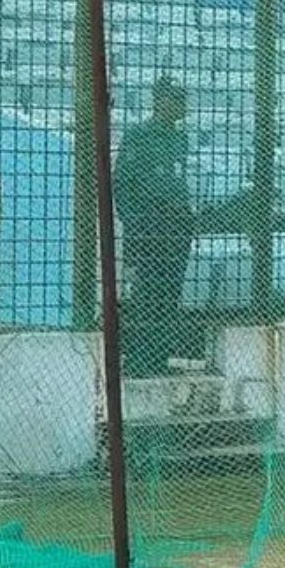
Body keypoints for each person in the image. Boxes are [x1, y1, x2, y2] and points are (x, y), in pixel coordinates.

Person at [113, 77, 195, 376]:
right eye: (177, 99)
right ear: (162, 101)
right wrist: (135, 222)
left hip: (176, 224)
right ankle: (140, 360)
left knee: (170, 292)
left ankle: (158, 358)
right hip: (150, 223)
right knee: (147, 291)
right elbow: (122, 183)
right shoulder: (139, 136)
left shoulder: (179, 139)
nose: (183, 105)